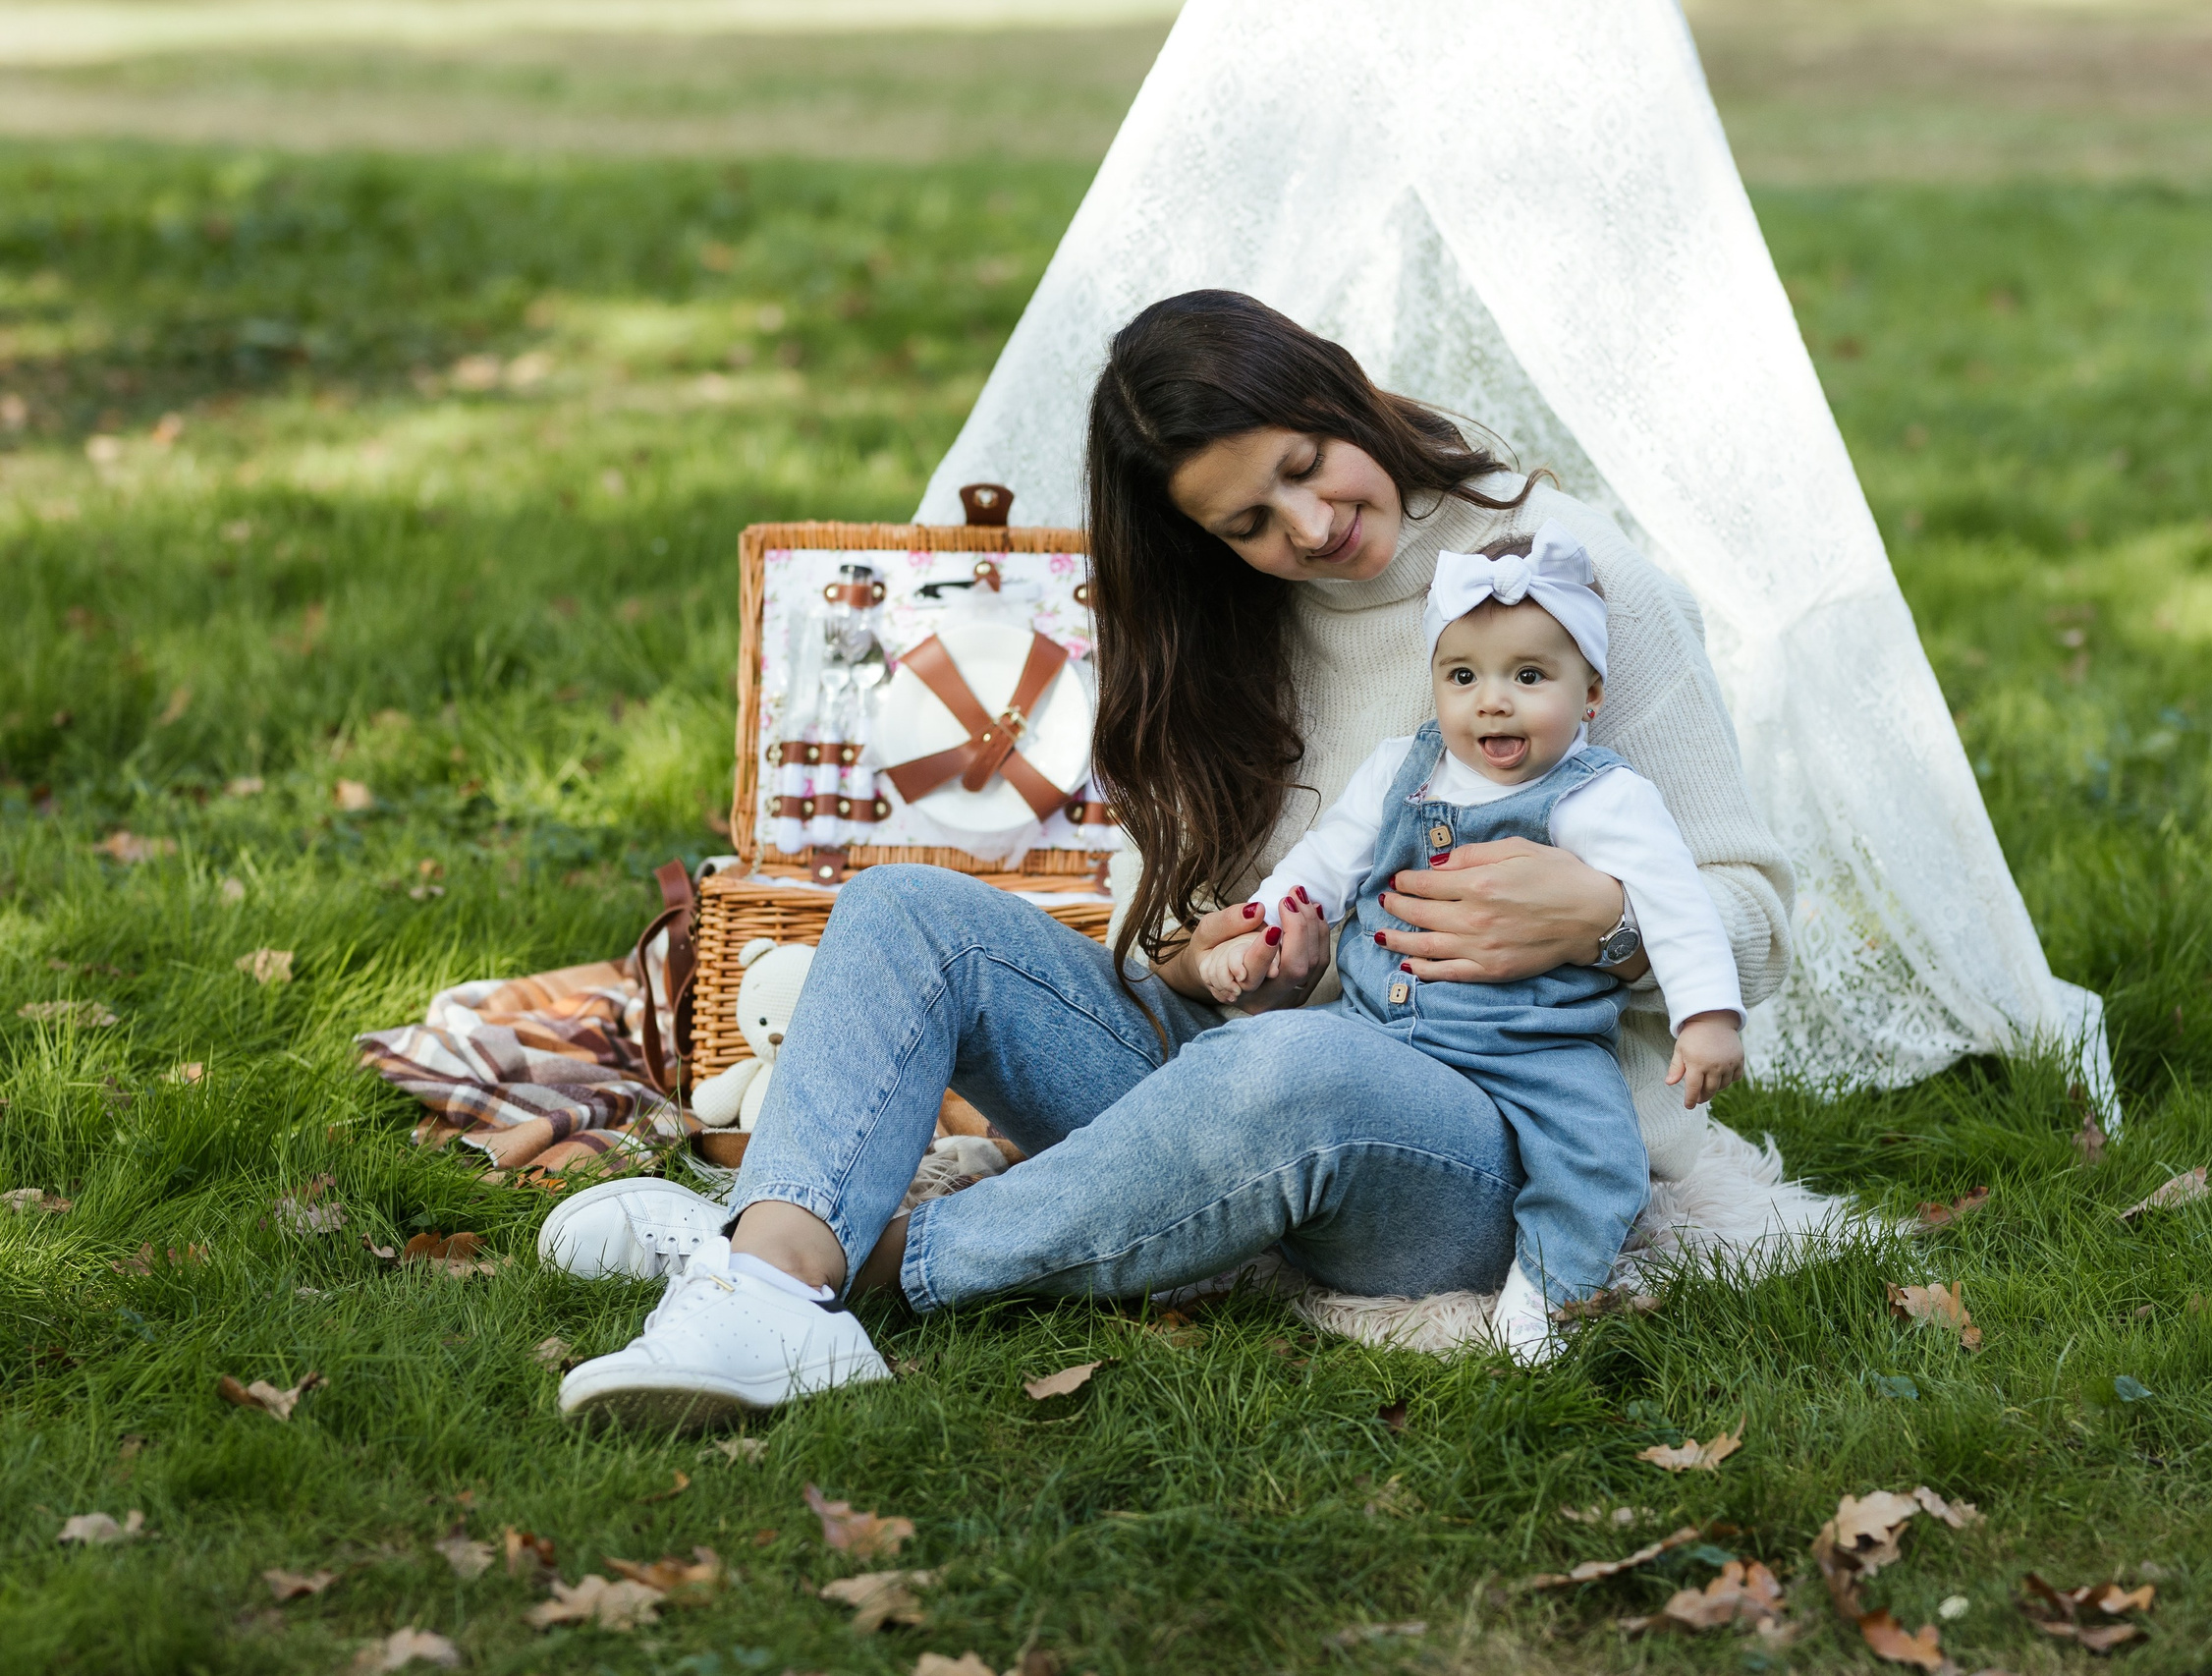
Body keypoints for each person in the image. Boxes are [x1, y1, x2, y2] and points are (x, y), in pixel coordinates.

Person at [542, 291, 1792, 1427]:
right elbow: (1154, 936)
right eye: (1249, 520)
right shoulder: (1222, 631)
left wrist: (1604, 918)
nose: (1310, 525)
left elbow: (1757, 917)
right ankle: (773, 1268)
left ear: (1343, 392)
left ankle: (831, 1258)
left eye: (1308, 467)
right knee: (905, 909)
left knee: (1294, 1064)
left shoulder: (1570, 589)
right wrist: (1214, 954)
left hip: (1492, 1139)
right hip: (1247, 1062)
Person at [1196, 523, 1742, 1357]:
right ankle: (1211, 1224)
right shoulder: (1398, 770)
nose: (1492, 699)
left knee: (1599, 1162)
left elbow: (1678, 905)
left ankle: (1541, 1297)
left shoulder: (1603, 798)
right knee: (1250, 1064)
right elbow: (1324, 862)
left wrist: (1707, 1016)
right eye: (1464, 676)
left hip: (1537, 1046)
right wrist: (1264, 931)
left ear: (1589, 694)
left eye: (1529, 676)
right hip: (1379, 1021)